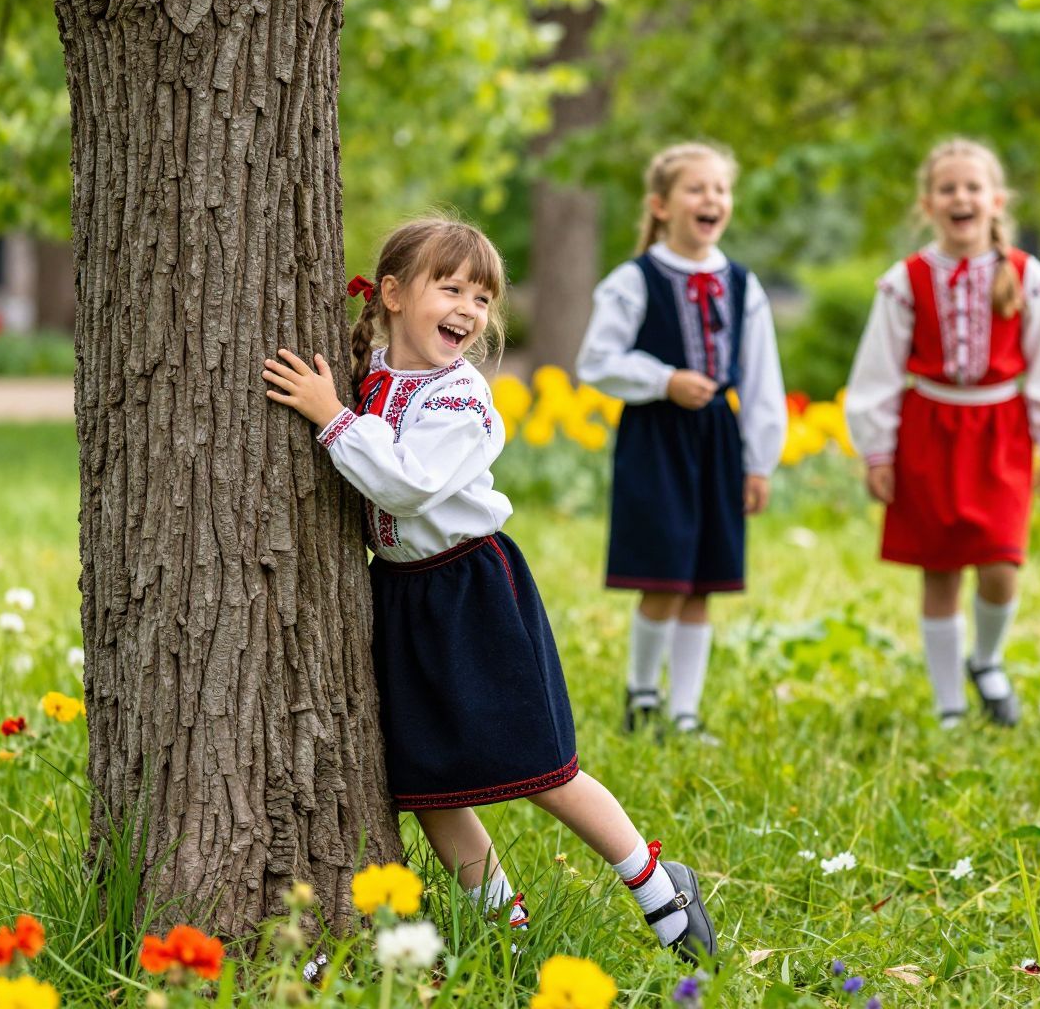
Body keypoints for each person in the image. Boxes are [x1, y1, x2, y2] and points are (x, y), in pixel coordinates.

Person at [263, 216, 715, 962]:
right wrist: (341, 399)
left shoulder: (460, 397)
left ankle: (658, 882)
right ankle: (504, 927)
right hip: (401, 595)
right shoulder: (373, 370)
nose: (470, 310)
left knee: (539, 766)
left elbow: (408, 487)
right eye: (452, 288)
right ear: (395, 294)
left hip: (471, 589)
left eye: (483, 297)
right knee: (426, 782)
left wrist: (330, 417)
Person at [844, 139, 1040, 727]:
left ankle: (988, 659)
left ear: (996, 200)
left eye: (973, 188)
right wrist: (877, 450)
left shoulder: (1029, 278)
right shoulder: (905, 281)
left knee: (1002, 563)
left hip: (1000, 429)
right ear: (928, 204)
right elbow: (877, 368)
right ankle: (949, 704)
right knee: (941, 568)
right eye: (948, 189)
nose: (962, 198)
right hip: (928, 429)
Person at [577, 142, 786, 739]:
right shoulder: (635, 279)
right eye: (697, 189)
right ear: (661, 205)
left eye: (720, 190)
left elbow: (764, 374)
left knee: (704, 581)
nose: (711, 200)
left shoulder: (743, 285)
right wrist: (663, 380)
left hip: (718, 437)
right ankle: (642, 698)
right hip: (657, 438)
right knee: (665, 575)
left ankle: (686, 712)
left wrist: (759, 460)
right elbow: (596, 361)